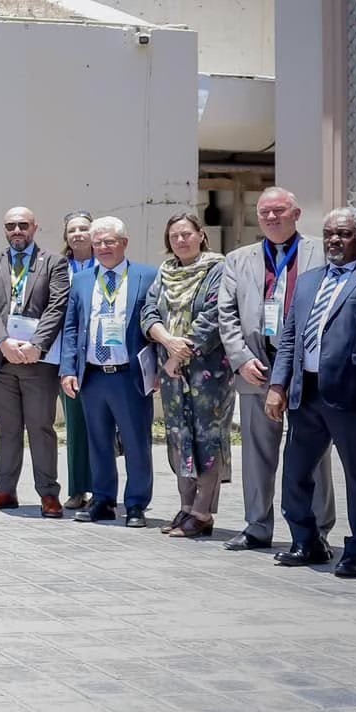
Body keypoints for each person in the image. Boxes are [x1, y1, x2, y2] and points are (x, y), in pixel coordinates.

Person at [268, 208, 356, 577]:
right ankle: (306, 541)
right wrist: (278, 385)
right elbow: (289, 337)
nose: (334, 240)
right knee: (295, 472)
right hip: (306, 393)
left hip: (353, 394)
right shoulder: (308, 281)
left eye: (345, 234)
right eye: (329, 234)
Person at [215, 188, 334, 551]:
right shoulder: (238, 258)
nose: (271, 217)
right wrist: (241, 358)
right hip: (257, 366)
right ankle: (257, 525)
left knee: (313, 455)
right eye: (264, 212)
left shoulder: (322, 251)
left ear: (296, 213)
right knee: (256, 453)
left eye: (279, 211)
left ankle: (317, 531)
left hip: (304, 369)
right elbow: (227, 315)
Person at [59, 217, 157, 527]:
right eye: (98, 242)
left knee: (136, 442)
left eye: (109, 242)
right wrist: (67, 369)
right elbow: (72, 328)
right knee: (97, 441)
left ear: (124, 243)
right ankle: (102, 499)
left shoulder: (148, 276)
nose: (103, 247)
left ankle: (137, 503)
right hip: (92, 374)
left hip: (129, 375)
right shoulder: (83, 280)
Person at [143, 212, 235, 539]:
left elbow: (213, 317)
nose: (180, 241)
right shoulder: (164, 273)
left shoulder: (218, 269)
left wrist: (179, 356)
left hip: (207, 371)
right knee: (179, 436)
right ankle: (185, 505)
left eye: (186, 234)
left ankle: (203, 511)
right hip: (171, 368)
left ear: (201, 235)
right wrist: (167, 343)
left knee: (207, 438)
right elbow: (149, 313)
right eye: (174, 236)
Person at [0, 206, 72, 514]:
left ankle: (48, 493)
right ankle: (5, 490)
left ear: (34, 227)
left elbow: (57, 305)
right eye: (10, 226)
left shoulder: (54, 263)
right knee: (7, 429)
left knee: (41, 427)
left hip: (37, 362)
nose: (16, 230)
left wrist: (37, 345)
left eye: (22, 225)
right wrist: (2, 342)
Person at [58, 213, 98, 510]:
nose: (78, 234)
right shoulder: (58, 267)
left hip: (101, 355)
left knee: (102, 425)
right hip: (68, 356)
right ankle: (77, 489)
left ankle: (103, 488)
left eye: (84, 228)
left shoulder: (109, 262)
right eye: (73, 230)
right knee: (75, 425)